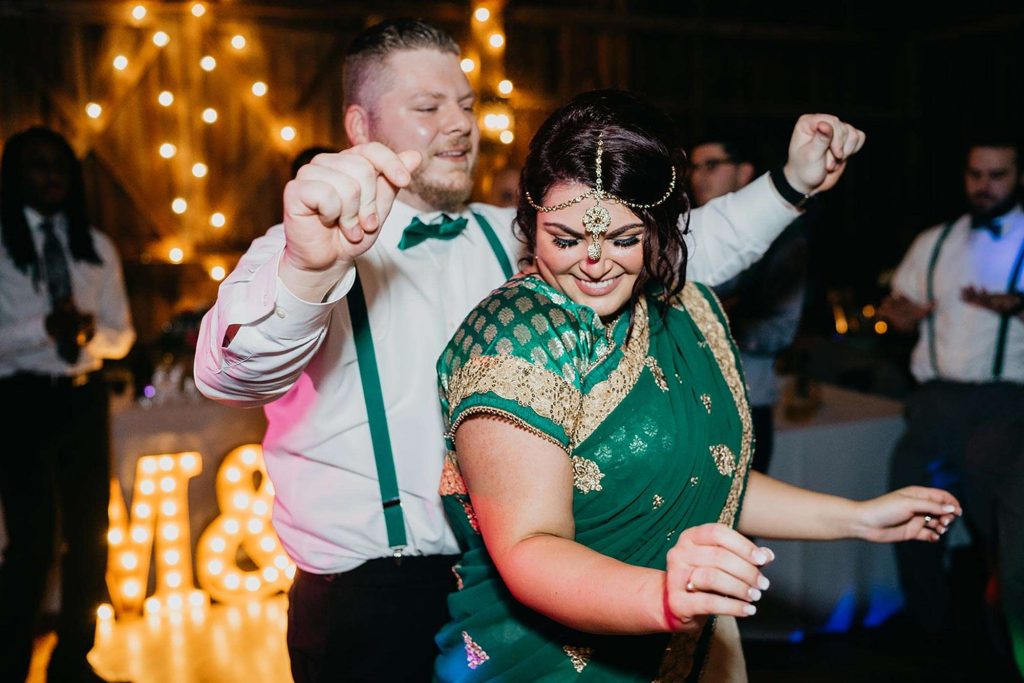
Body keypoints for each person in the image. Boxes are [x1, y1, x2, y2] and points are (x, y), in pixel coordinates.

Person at [194, 18, 867, 681]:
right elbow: (229, 374)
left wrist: (790, 183)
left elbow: (674, 242)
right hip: (370, 600)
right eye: (428, 107)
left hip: (514, 591)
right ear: (360, 126)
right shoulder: (303, 248)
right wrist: (310, 270)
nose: (459, 125)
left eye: (466, 105)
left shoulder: (520, 235)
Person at [433, 88, 959, 682]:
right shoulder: (516, 336)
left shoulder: (676, 311)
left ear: (659, 230)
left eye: (624, 239)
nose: (594, 263)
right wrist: (662, 598)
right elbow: (530, 546)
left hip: (684, 643)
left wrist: (858, 518)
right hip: (544, 660)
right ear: (530, 226)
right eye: (566, 239)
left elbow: (713, 477)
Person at [879, 138, 1024, 676]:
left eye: (997, 175)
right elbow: (895, 309)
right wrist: (900, 314)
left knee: (999, 525)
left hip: (1005, 405)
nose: (984, 186)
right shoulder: (936, 240)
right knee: (906, 503)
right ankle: (930, 626)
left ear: (1019, 177)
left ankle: (1002, 635)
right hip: (934, 401)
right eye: (975, 174)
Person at [0, 127, 135, 682]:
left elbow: (122, 336)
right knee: (32, 543)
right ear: (15, 175)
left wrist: (88, 332)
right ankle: (9, 664)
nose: (51, 176)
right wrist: (43, 328)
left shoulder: (95, 246)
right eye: (38, 165)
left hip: (83, 399)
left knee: (90, 536)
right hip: (20, 400)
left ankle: (72, 661)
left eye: (60, 166)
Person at [690, 136, 809, 474]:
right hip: (685, 404)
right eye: (693, 167)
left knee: (741, 502)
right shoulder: (682, 228)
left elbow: (780, 330)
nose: (699, 176)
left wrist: (708, 319)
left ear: (744, 173)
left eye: (711, 165)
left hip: (744, 400)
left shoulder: (781, 237)